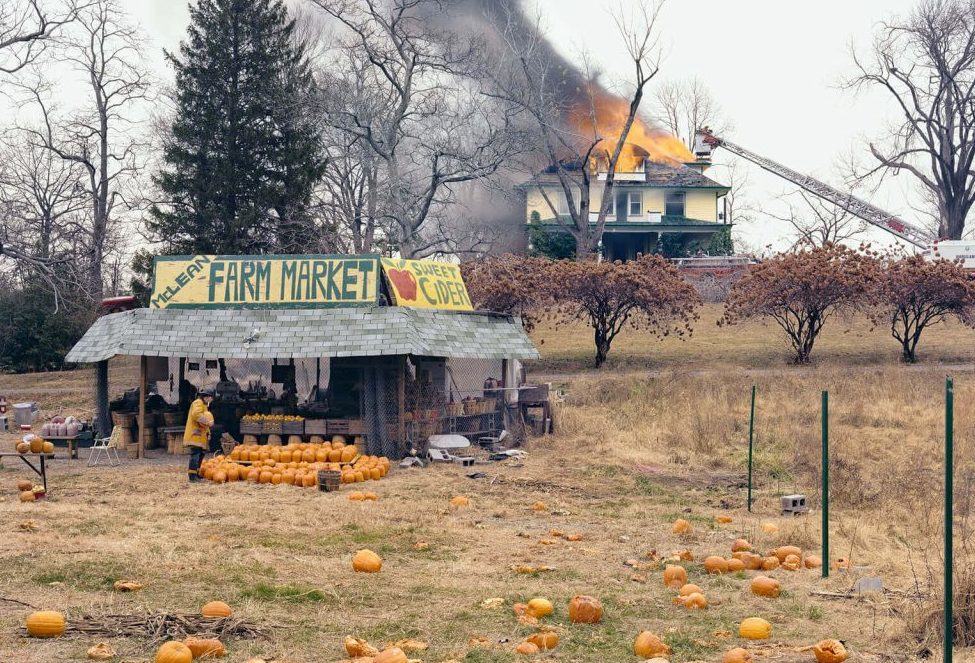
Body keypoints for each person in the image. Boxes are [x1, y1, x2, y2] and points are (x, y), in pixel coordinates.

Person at [184, 387, 215, 482]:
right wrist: (207, 422)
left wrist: (208, 432)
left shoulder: (204, 405)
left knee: (200, 454)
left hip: (200, 435)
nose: (212, 399)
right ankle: (192, 476)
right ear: (206, 397)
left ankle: (196, 474)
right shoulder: (198, 403)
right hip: (195, 434)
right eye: (211, 397)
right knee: (195, 454)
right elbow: (196, 414)